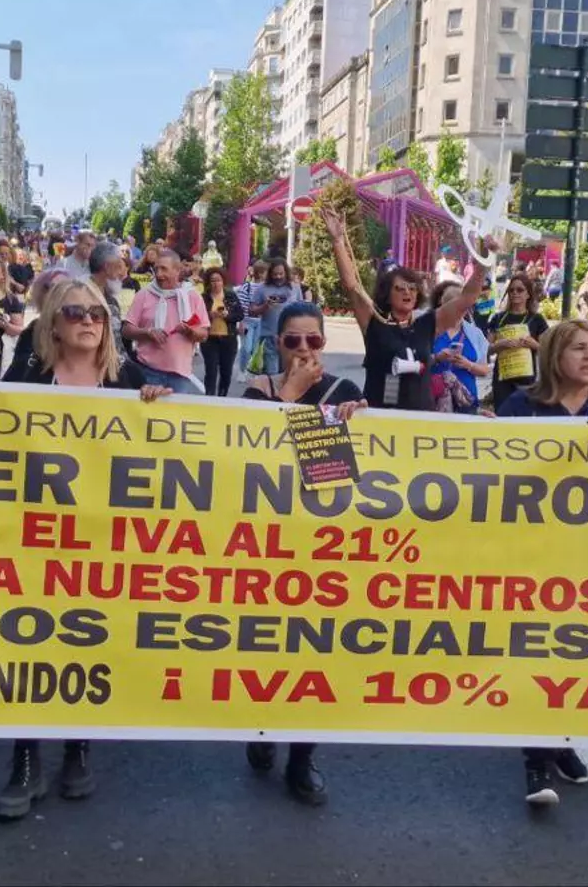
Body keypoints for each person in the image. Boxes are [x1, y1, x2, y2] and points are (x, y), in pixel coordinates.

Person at [0, 278, 170, 821]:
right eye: (76, 312)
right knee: (29, 644)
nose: (88, 321)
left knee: (86, 640)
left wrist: (158, 407)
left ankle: (79, 745)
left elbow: (172, 445)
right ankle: (25, 759)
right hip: (34, 536)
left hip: (102, 541)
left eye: (98, 314)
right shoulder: (29, 377)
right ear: (53, 324)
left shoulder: (127, 379)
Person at [238, 300, 366, 806]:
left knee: (315, 651)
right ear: (278, 344)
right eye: (293, 340)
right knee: (267, 647)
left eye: (314, 339)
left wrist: (361, 422)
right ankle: (262, 725)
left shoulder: (344, 392)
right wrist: (289, 395)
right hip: (268, 541)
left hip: (321, 544)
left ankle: (302, 756)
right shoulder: (258, 390)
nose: (304, 348)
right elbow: (243, 452)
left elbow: (358, 467)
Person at [493, 319, 588, 804]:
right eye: (578, 348)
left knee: (577, 658)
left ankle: (561, 741)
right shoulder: (521, 407)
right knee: (537, 656)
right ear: (553, 357)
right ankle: (537, 763)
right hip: (534, 557)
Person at [321, 206, 489, 410]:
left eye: (412, 288)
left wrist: (484, 259)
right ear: (387, 294)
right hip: (380, 415)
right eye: (400, 289)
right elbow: (352, 286)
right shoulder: (374, 323)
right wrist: (338, 241)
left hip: (419, 417)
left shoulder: (426, 324)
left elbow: (467, 298)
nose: (407, 293)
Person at [123, 248, 209, 394]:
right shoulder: (144, 295)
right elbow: (126, 330)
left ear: (177, 270)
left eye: (164, 269)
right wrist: (147, 332)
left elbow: (204, 334)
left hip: (180, 375)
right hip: (147, 370)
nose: (158, 274)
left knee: (175, 410)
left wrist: (190, 331)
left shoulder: (193, 297)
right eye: (156, 269)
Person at [487, 275, 549, 412]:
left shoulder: (537, 319)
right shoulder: (498, 318)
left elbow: (548, 351)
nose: (515, 293)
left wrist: (534, 344)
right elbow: (485, 349)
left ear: (528, 294)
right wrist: (499, 345)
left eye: (520, 290)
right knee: (502, 416)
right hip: (502, 379)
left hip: (526, 380)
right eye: (511, 290)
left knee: (523, 419)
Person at [429, 280, 492, 413]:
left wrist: (468, 365)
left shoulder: (475, 333)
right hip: (432, 402)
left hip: (466, 402)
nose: (458, 310)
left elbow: (485, 370)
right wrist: (438, 358)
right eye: (454, 306)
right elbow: (416, 362)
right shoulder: (429, 329)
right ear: (443, 305)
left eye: (463, 306)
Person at [245, 259, 303, 376]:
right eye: (275, 274)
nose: (278, 277)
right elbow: (251, 311)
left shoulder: (295, 288)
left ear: (286, 272)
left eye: (281, 274)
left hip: (290, 337)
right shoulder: (262, 288)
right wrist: (265, 306)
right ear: (270, 274)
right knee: (272, 374)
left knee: (287, 374)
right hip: (269, 336)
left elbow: (302, 309)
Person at [199, 267, 242, 396]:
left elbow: (240, 315)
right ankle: (209, 397)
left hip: (228, 339)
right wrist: (209, 315)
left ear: (223, 281)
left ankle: (222, 397)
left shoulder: (230, 296)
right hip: (210, 340)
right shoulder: (204, 298)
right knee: (211, 371)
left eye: (218, 280)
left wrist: (227, 315)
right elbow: (196, 317)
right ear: (208, 283)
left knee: (226, 372)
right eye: (212, 281)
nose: (216, 283)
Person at [86, 242, 128, 353]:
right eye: (119, 266)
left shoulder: (111, 299)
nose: (122, 273)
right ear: (107, 267)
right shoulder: (81, 297)